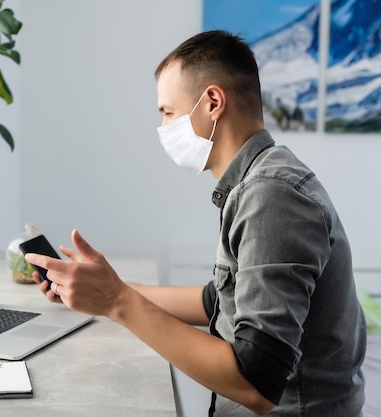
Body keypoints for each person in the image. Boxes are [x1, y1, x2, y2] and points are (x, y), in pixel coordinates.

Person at [25, 30, 366, 416]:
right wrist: (105, 290)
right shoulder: (256, 182)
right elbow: (217, 301)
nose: (164, 127)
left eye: (168, 112)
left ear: (213, 102)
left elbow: (256, 383)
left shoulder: (272, 196)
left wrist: (118, 301)